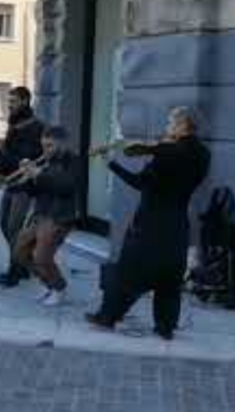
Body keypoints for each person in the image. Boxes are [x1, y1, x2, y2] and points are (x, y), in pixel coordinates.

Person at [85, 107, 210, 340]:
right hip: (177, 224)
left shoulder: (167, 153)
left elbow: (140, 182)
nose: (167, 127)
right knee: (170, 279)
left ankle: (108, 316)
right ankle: (165, 327)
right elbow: (180, 158)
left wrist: (116, 161)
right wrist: (154, 150)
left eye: (171, 123)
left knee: (127, 272)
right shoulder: (203, 154)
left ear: (184, 125)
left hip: (151, 222)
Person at [8, 126, 78, 306]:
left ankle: (59, 288)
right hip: (41, 214)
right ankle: (49, 285)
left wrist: (38, 174)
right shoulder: (45, 162)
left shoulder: (73, 161)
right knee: (19, 252)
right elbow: (34, 191)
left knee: (41, 257)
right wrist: (27, 177)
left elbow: (66, 186)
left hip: (60, 216)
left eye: (50, 146)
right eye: (44, 146)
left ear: (63, 144)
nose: (45, 150)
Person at [0, 86, 45, 288]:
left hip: (24, 184)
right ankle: (23, 260)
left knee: (14, 228)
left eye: (13, 101)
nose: (9, 105)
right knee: (4, 224)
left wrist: (2, 155)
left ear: (25, 101)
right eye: (9, 101)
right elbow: (6, 151)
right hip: (10, 182)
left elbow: (29, 157)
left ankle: (15, 270)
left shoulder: (36, 126)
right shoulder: (14, 124)